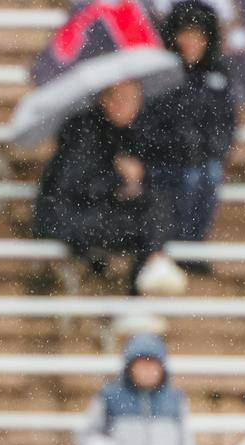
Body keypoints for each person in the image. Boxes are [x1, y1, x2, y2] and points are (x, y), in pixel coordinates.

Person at [32, 79, 183, 293]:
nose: (125, 105)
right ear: (104, 99)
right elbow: (74, 187)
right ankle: (147, 273)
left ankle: (149, 267)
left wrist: (132, 181)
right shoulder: (83, 132)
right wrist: (119, 179)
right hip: (67, 217)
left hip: (91, 214)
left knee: (156, 204)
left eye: (132, 99)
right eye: (119, 98)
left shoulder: (126, 133)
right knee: (147, 221)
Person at [149, 1, 239, 256]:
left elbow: (225, 123)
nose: (191, 42)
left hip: (201, 157)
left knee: (208, 173)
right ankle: (180, 246)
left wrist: (208, 149)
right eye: (186, 34)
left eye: (198, 36)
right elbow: (151, 124)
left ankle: (191, 245)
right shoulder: (161, 74)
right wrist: (179, 146)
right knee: (190, 176)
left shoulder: (218, 74)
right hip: (165, 157)